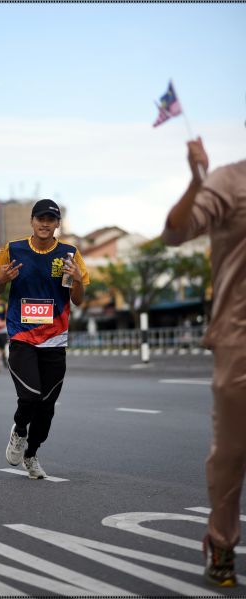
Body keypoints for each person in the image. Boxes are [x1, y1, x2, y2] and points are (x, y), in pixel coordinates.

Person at [162, 138, 246, 587]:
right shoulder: (229, 181)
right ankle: (222, 542)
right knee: (232, 453)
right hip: (239, 338)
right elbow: (175, 234)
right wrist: (196, 181)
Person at [0, 199, 89, 479]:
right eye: (40, 219)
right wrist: (1, 280)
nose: (45, 224)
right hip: (22, 336)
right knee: (30, 395)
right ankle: (19, 431)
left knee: (46, 407)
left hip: (55, 340)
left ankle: (31, 454)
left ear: (58, 223)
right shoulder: (13, 249)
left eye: (51, 219)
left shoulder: (69, 254)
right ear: (32, 221)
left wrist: (77, 279)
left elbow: (78, 300)